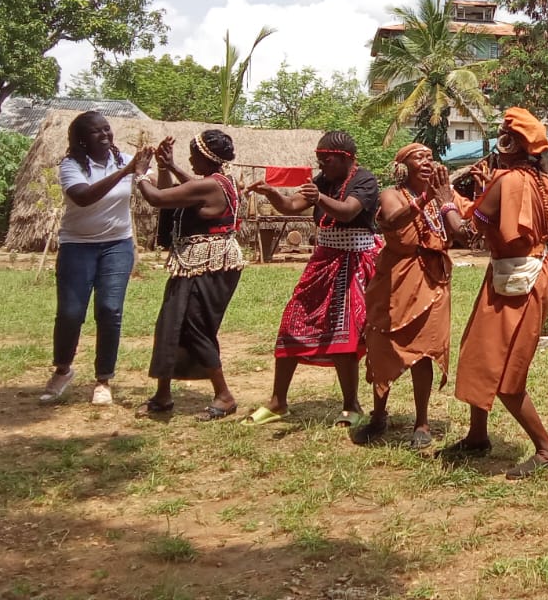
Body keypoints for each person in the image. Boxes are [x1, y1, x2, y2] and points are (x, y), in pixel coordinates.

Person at [443, 108, 548, 478]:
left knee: (508, 374)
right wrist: (480, 192)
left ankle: (547, 449)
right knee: (479, 352)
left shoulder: (507, 180)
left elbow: (466, 231)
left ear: (510, 145)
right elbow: (493, 217)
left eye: (503, 138)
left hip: (517, 281)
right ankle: (477, 435)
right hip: (520, 274)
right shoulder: (536, 180)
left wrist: (444, 197)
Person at [243, 131, 382, 425]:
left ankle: (352, 406)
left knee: (343, 333)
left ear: (345, 158)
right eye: (319, 160)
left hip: (354, 262)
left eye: (326, 160)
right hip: (323, 261)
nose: (321, 165)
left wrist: (318, 197)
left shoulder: (365, 180)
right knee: (291, 323)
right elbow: (292, 205)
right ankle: (278, 402)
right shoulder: (323, 181)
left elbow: (348, 212)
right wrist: (271, 193)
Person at [352, 144, 469, 447]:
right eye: (419, 157)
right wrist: (426, 198)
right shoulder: (391, 194)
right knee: (382, 347)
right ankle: (378, 416)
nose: (427, 161)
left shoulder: (445, 194)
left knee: (425, 351)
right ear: (403, 166)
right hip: (394, 280)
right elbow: (392, 220)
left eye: (430, 157)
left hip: (433, 281)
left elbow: (465, 224)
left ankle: (422, 423)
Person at [134, 131, 245, 421]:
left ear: (207, 158)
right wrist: (168, 166)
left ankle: (224, 395)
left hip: (208, 264)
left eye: (194, 155)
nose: (191, 160)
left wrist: (140, 173)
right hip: (196, 264)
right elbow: (187, 187)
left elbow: (158, 198)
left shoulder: (209, 186)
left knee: (195, 327)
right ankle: (162, 395)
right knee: (171, 323)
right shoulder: (220, 181)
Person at [42, 111, 150, 406]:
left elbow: (157, 187)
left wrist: (164, 165)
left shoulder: (124, 160)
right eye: (96, 131)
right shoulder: (71, 166)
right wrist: (125, 172)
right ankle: (63, 370)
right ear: (81, 139)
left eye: (107, 129)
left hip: (117, 246)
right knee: (70, 313)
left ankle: (103, 380)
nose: (104, 135)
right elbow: (84, 197)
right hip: (77, 246)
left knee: (109, 309)